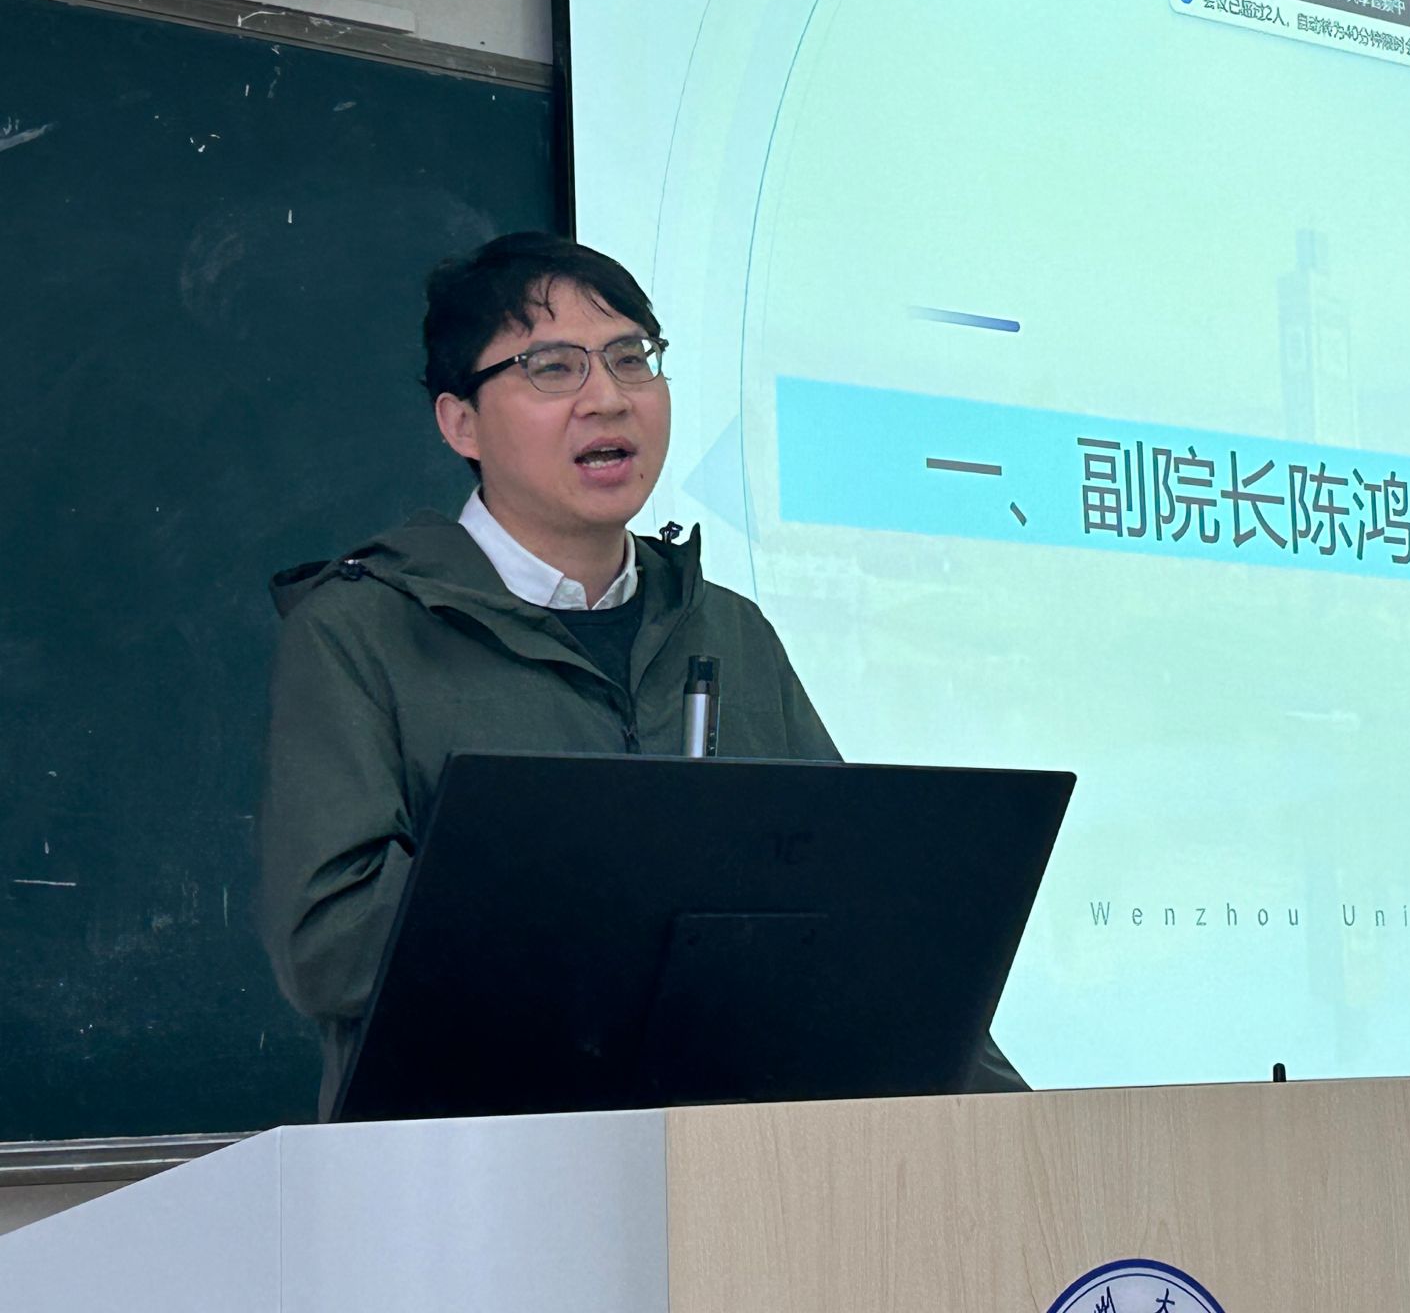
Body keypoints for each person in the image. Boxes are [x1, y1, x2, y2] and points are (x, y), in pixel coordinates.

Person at [259, 233, 1017, 1114]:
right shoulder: (362, 627)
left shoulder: (729, 630)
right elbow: (329, 941)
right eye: (552, 368)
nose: (609, 398)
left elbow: (850, 914)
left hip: (724, 1158)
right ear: (459, 422)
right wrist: (626, 904)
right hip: (477, 1164)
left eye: (631, 358)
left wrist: (1026, 1130)